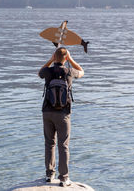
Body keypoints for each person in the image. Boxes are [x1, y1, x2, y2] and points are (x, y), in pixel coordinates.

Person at [38, 47, 84, 186]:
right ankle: (64, 178)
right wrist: (70, 59)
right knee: (63, 145)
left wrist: (51, 59)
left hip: (47, 112)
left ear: (54, 57)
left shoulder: (48, 71)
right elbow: (82, 72)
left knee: (49, 143)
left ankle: (49, 175)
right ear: (65, 58)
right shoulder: (69, 71)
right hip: (63, 113)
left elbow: (39, 72)